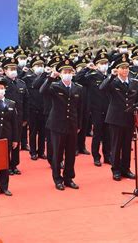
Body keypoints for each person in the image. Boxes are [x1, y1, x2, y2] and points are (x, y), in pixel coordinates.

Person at [40, 59, 83, 191]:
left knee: (70, 153)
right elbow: (42, 90)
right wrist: (50, 78)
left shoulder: (78, 88)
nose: (67, 74)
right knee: (57, 153)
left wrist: (79, 124)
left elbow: (80, 108)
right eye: (65, 72)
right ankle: (57, 178)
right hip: (57, 124)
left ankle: (69, 178)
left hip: (72, 124)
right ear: (60, 73)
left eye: (70, 71)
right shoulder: (54, 86)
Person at [99, 54, 138, 181]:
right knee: (116, 145)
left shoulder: (134, 82)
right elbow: (102, 87)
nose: (125, 70)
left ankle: (126, 169)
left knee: (127, 145)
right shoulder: (113, 82)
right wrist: (111, 76)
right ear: (117, 69)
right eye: (122, 68)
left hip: (129, 118)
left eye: (127, 67)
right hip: (115, 118)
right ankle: (116, 170)